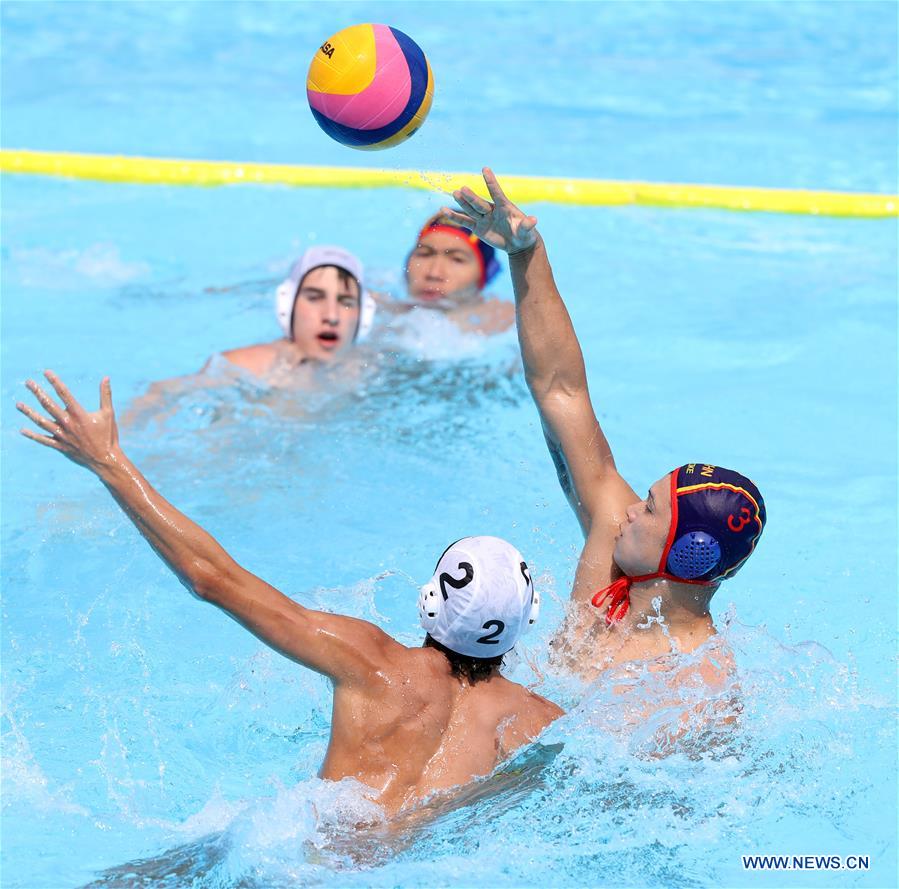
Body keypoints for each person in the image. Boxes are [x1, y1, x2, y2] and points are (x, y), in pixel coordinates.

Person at [17, 371, 562, 817]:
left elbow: (211, 577)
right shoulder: (538, 722)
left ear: (430, 601)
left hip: (300, 855)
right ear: (525, 619)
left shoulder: (371, 661)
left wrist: (109, 461)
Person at [442, 169, 766, 691]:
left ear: (689, 553)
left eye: (651, 509)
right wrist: (526, 253)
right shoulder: (615, 541)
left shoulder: (696, 683)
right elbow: (561, 392)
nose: (632, 507)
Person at [390, 213, 515, 335]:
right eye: (424, 254)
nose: (434, 273)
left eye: (457, 259)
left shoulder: (512, 325)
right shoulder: (376, 310)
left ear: (483, 275)